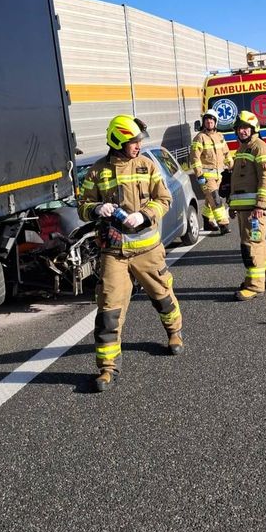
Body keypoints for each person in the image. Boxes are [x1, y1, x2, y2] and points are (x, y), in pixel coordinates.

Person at [78, 114, 184, 390]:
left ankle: (174, 332)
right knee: (108, 310)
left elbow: (165, 199)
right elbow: (83, 205)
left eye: (138, 141)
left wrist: (145, 216)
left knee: (162, 296)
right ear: (117, 142)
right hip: (113, 252)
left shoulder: (147, 166)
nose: (137, 145)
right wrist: (95, 209)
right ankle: (107, 368)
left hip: (148, 250)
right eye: (132, 141)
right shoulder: (97, 172)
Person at [228, 110, 266, 300]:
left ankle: (255, 285)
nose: (242, 131)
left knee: (251, 245)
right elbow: (239, 180)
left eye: (245, 128)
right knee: (259, 242)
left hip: (254, 211)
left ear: (254, 128)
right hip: (245, 209)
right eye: (239, 128)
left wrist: (260, 207)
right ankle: (265, 277)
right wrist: (232, 204)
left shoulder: (259, 148)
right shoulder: (243, 149)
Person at [190, 110, 232, 234]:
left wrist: (231, 165)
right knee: (216, 199)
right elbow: (194, 158)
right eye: (207, 120)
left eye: (212, 120)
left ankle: (207, 220)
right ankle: (223, 224)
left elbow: (226, 153)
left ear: (215, 122)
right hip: (206, 176)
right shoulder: (199, 137)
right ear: (203, 122)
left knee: (210, 200)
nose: (209, 122)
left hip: (219, 175)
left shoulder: (220, 136)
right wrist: (199, 174)